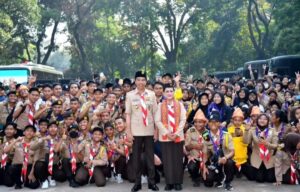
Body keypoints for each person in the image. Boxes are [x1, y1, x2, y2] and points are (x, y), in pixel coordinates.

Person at [125, 71, 159, 192]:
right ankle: (137, 183)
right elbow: (128, 114)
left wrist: (156, 131)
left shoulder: (152, 94)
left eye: (143, 80)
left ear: (146, 81)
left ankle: (152, 182)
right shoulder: (130, 95)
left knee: (150, 158)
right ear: (135, 81)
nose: (141, 82)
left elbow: (155, 113)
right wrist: (128, 131)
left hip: (149, 130)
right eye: (138, 79)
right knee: (136, 158)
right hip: (136, 131)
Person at [155, 83, 186, 191]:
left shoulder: (180, 104)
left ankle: (178, 182)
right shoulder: (160, 105)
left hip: (178, 136)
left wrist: (177, 133)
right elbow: (157, 120)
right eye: (167, 91)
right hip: (165, 136)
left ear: (174, 92)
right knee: (167, 160)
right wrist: (167, 133)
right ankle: (169, 182)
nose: (169, 93)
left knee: (177, 159)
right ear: (163, 93)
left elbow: (183, 119)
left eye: (171, 91)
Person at [202, 112, 235, 191]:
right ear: (208, 123)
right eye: (211, 121)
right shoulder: (205, 135)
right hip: (214, 161)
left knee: (230, 163)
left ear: (219, 123)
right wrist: (204, 167)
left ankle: (228, 182)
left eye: (216, 121)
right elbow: (205, 153)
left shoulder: (226, 135)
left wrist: (225, 157)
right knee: (208, 181)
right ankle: (219, 178)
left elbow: (232, 151)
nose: (213, 123)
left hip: (225, 160)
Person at [243, 113, 277, 183]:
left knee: (270, 179)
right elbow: (246, 142)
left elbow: (275, 145)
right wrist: (246, 131)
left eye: (265, 119)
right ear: (257, 120)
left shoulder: (272, 130)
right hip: (257, 157)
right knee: (259, 179)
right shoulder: (252, 130)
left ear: (268, 121)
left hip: (268, 158)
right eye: (260, 119)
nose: (262, 120)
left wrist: (267, 144)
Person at [185, 109, 208, 187]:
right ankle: (195, 178)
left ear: (204, 123)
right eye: (196, 122)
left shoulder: (206, 132)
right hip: (194, 157)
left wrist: (204, 163)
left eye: (200, 122)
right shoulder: (190, 131)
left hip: (204, 158)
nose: (198, 124)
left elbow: (207, 147)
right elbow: (187, 147)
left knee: (208, 181)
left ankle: (203, 174)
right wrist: (194, 146)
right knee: (191, 167)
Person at [227, 107, 251, 179]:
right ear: (232, 120)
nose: (237, 122)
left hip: (243, 159)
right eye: (235, 120)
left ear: (242, 121)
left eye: (239, 120)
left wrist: (246, 131)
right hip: (232, 159)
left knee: (251, 176)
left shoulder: (245, 129)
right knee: (231, 175)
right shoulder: (229, 130)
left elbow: (246, 142)